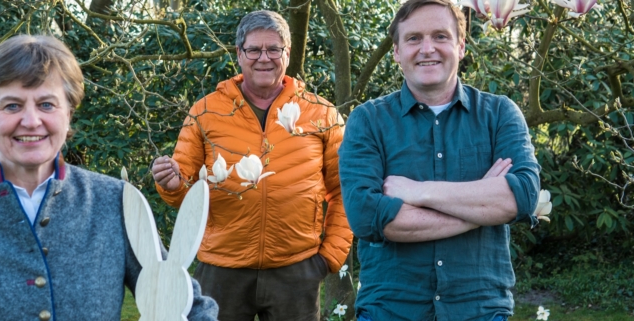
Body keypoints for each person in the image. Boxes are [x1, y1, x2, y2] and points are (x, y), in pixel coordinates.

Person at [0, 35, 218, 321]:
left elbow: (187, 305)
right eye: (12, 106)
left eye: (47, 104)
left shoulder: (116, 202)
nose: (31, 121)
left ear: (69, 114)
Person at [338, 0, 542, 320]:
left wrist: (419, 192)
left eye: (440, 36)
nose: (427, 48)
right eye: (414, 38)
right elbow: (366, 216)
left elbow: (524, 197)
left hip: (480, 309)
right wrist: (483, 204)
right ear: (396, 51)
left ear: (461, 46)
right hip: (390, 310)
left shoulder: (500, 114)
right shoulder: (367, 121)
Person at [152, 10, 352, 321]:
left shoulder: (321, 114)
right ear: (239, 54)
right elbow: (185, 193)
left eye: (274, 49)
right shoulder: (205, 112)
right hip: (222, 268)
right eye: (254, 49)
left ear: (287, 53)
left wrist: (328, 258)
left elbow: (345, 191)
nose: (264, 58)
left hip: (296, 269)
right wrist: (171, 185)